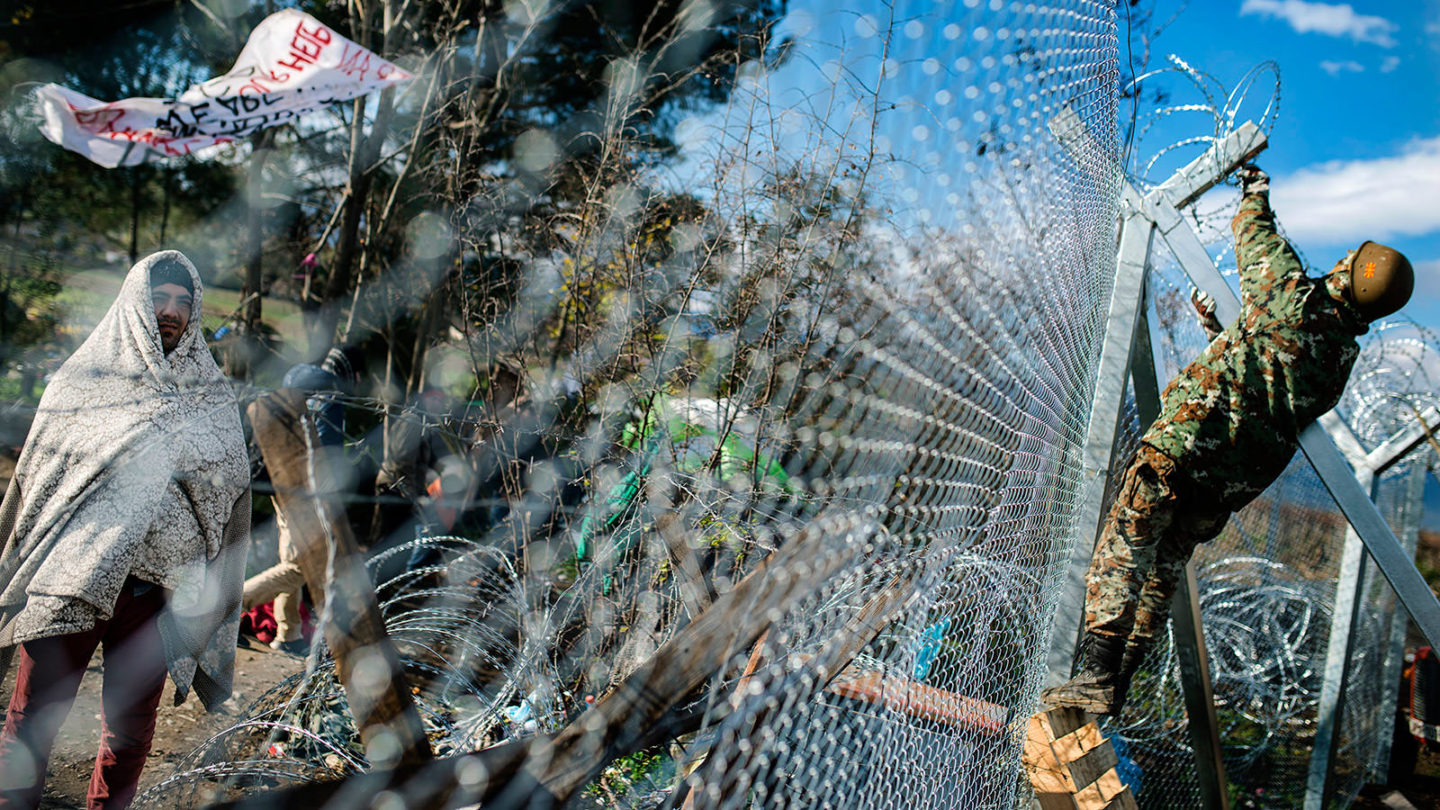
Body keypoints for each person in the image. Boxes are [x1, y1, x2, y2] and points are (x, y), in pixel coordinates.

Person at [1042, 165, 1415, 717]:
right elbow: (1270, 379)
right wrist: (1224, 333)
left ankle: (1095, 670)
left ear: (1351, 273)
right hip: (1227, 483)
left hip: (1188, 445)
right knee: (1164, 570)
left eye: (1349, 262)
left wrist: (1254, 191)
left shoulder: (1293, 297)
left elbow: (1254, 236)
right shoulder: (1338, 358)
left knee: (1128, 542)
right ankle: (1117, 683)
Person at [0, 252, 251, 809]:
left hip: (154, 591)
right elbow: (44, 473)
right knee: (32, 719)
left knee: (130, 734)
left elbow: (232, 476)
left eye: (184, 303)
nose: (171, 312)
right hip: (73, 574)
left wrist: (177, 451)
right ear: (135, 299)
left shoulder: (209, 392)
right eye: (159, 298)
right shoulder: (84, 378)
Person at [240, 348, 357, 655]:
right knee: (301, 565)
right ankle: (227, 608)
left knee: (291, 557)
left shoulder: (300, 377)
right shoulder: (331, 394)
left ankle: (288, 633)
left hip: (278, 477)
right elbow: (326, 450)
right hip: (305, 491)